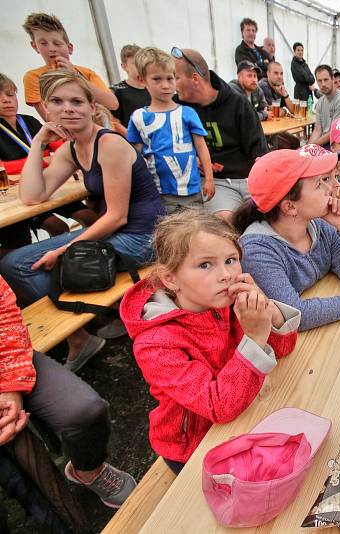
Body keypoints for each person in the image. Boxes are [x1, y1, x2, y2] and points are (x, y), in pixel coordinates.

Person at [0, 69, 163, 371]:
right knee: (13, 263)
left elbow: (117, 216)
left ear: (92, 107)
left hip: (143, 236)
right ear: (46, 108)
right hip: (118, 231)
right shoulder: (72, 149)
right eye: (58, 102)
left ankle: (88, 324)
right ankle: (82, 332)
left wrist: (62, 250)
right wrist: (37, 143)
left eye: (76, 101)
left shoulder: (109, 143)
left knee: (34, 263)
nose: (68, 109)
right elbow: (34, 195)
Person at [120, 210, 299, 474]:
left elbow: (283, 350)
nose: (226, 274)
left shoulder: (221, 300)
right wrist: (255, 337)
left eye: (231, 260)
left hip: (242, 411)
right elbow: (219, 407)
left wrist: (266, 309)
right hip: (192, 448)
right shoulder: (155, 344)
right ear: (170, 278)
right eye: (206, 265)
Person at [1, 275, 138, 507]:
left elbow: (3, 313)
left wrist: (11, 384)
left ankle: (88, 470)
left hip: (6, 358)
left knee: (85, 411)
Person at [235, 145, 340, 331]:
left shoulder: (319, 225)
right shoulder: (257, 251)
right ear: (290, 207)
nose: (336, 186)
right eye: (323, 181)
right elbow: (295, 315)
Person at [0, 73, 98, 250]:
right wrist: (45, 159)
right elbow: (3, 169)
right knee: (57, 227)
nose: (6, 100)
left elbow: (59, 144)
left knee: (89, 215)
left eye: (10, 94)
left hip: (47, 184)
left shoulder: (29, 120)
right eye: (0, 96)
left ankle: (88, 254)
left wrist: (51, 157)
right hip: (16, 194)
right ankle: (53, 260)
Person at [172, 47, 267, 221]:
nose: (171, 84)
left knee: (269, 218)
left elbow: (260, 153)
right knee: (226, 221)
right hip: (216, 182)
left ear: (195, 79)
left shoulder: (237, 103)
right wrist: (194, 158)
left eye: (175, 77)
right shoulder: (175, 108)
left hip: (248, 179)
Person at [128, 47, 214, 213]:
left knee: (195, 229)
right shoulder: (139, 118)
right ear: (142, 80)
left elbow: (201, 147)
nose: (165, 85)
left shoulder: (187, 113)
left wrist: (209, 179)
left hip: (191, 189)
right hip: (159, 192)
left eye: (170, 78)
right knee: (169, 233)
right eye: (157, 79)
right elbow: (133, 155)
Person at [21, 12, 119, 121]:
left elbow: (113, 104)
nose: (51, 49)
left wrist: (76, 77)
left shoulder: (86, 73)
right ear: (35, 47)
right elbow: (50, 118)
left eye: (57, 43)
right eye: (43, 43)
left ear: (70, 48)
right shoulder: (33, 77)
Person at [308, 65, 340, 147]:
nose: (323, 84)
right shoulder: (320, 102)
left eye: (326, 80)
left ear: (332, 79)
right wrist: (307, 148)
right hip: (327, 142)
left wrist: (313, 146)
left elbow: (335, 132)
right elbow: (318, 129)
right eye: (319, 81)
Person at [110, 44, 150, 131]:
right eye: (135, 63)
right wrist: (132, 139)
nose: (140, 66)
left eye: (143, 62)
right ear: (124, 66)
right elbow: (114, 122)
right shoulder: (116, 90)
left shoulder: (153, 88)